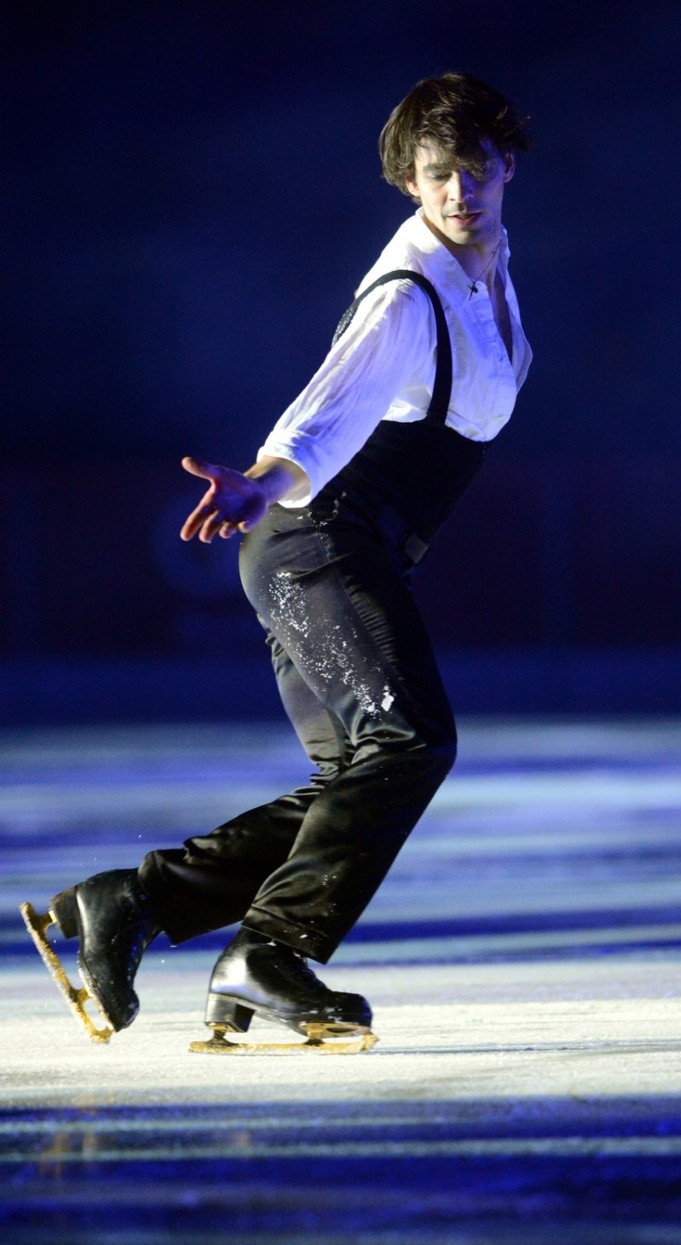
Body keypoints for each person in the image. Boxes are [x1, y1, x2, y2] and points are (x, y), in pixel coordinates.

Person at [22, 71, 533, 1051]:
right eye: (436, 176)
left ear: (505, 165)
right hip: (314, 536)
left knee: (353, 775)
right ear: (412, 185)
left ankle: (127, 901)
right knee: (412, 740)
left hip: (337, 548)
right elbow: (330, 405)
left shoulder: (492, 271)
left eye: (473, 169)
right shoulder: (408, 293)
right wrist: (264, 475)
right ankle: (273, 949)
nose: (457, 192)